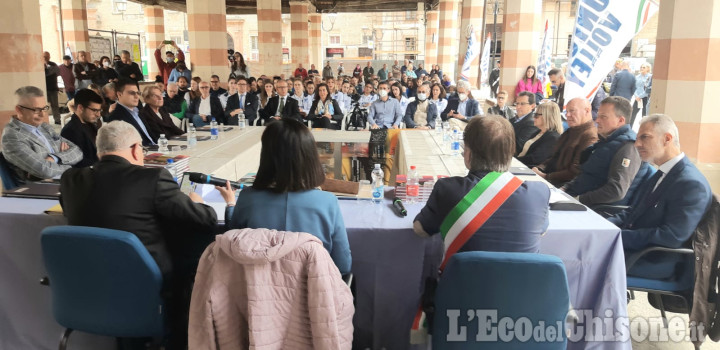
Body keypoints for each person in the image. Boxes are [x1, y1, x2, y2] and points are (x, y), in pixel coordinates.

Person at [59, 120, 218, 350]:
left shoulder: (71, 180)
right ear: (135, 149)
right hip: (146, 286)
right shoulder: (152, 179)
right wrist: (198, 202)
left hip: (88, 286)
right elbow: (206, 219)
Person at [218, 118, 351, 274]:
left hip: (256, 294)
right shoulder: (328, 203)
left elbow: (234, 248)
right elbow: (343, 266)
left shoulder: (247, 198)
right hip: (313, 294)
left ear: (266, 156)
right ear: (309, 156)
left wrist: (231, 206)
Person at [414, 116, 550, 253]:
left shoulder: (447, 189)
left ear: (468, 155)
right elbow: (541, 231)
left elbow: (420, 230)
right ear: (510, 155)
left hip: (463, 275)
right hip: (523, 275)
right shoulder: (538, 193)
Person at [608, 114, 712, 279]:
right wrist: (604, 227)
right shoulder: (661, 172)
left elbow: (671, 237)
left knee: (583, 262)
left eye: (645, 137)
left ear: (667, 139)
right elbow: (633, 212)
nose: (637, 144)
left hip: (654, 259)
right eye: (637, 138)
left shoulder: (691, 183)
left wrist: (618, 236)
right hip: (637, 249)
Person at [563, 96, 652, 206]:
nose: (597, 120)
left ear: (620, 120)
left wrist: (578, 200)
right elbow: (587, 175)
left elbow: (616, 191)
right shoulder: (607, 141)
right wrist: (564, 188)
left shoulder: (628, 147)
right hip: (574, 198)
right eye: (598, 116)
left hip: (594, 210)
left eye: (603, 117)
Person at [2, 86, 82, 181]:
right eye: (36, 110)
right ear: (19, 110)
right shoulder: (12, 137)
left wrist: (54, 158)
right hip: (39, 190)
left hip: (64, 181)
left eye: (44, 108)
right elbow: (45, 170)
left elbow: (78, 152)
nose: (43, 114)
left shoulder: (44, 127)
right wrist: (70, 165)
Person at [533, 98, 599, 187]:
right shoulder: (570, 131)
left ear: (587, 111)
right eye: (566, 111)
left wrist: (546, 176)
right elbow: (554, 157)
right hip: (550, 179)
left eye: (572, 111)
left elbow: (575, 171)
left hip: (562, 186)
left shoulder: (590, 136)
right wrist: (538, 168)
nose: (567, 115)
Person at [61, 89, 104, 168]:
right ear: (80, 108)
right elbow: (77, 161)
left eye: (99, 110)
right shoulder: (70, 131)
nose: (98, 115)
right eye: (95, 110)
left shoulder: (91, 124)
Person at [107, 78, 156, 146]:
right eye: (132, 93)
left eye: (138, 93)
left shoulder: (138, 112)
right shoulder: (116, 117)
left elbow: (149, 137)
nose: (137, 96)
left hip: (155, 148)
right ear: (119, 94)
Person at [516, 101, 563, 168]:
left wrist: (514, 160)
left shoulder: (553, 137)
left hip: (527, 169)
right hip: (520, 165)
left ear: (547, 117)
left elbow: (535, 159)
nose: (533, 117)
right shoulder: (538, 132)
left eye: (536, 115)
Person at [631, 62, 652, 127]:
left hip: (645, 97)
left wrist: (640, 96)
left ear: (648, 69)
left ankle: (644, 128)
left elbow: (647, 89)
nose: (642, 68)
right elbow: (634, 87)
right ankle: (629, 127)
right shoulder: (637, 77)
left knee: (644, 115)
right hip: (638, 98)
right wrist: (636, 96)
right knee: (633, 113)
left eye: (644, 67)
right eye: (641, 67)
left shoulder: (650, 77)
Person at [43, 51, 62, 124]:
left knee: (55, 105)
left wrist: (47, 68)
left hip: (53, 88)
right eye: (44, 56)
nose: (45, 58)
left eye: (47, 56)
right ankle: (44, 120)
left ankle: (57, 119)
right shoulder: (39, 64)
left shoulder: (53, 64)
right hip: (43, 89)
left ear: (49, 57)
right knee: (43, 106)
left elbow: (57, 72)